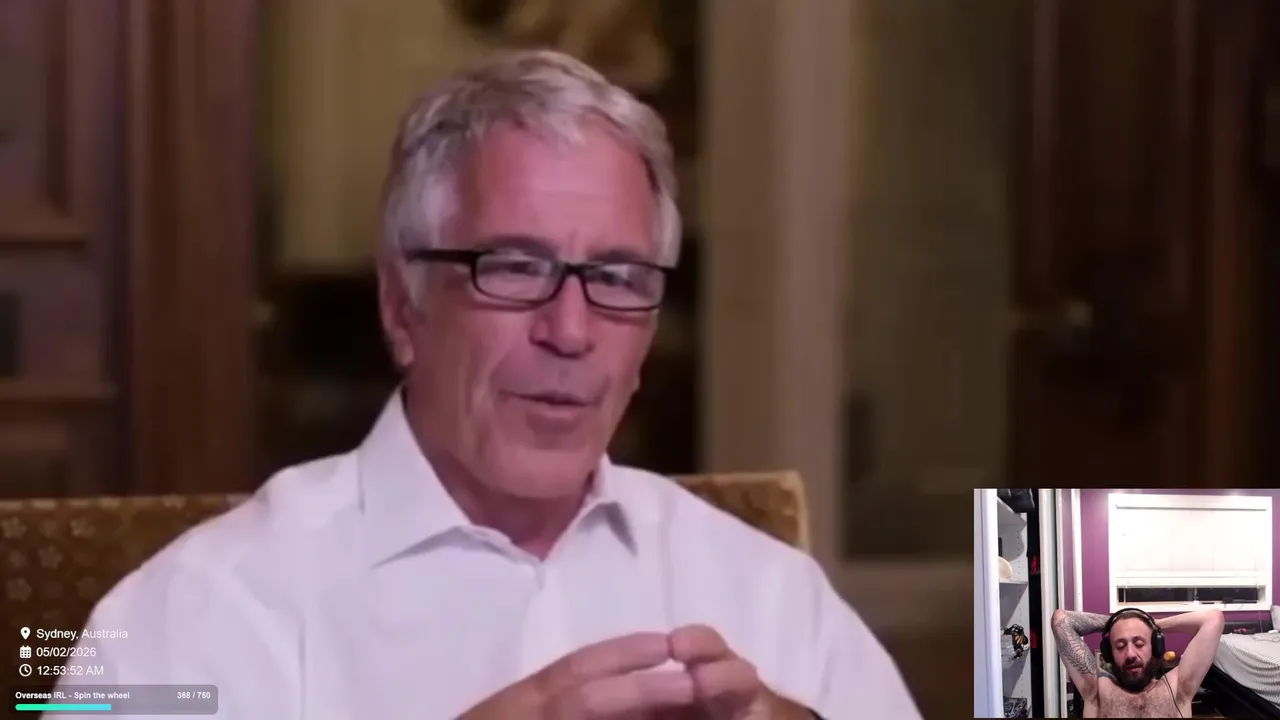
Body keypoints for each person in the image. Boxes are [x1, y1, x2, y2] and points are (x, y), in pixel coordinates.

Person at [58, 50, 919, 719]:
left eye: (616, 278)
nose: (570, 331)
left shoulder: (769, 594)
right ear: (403, 306)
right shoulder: (199, 611)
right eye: (513, 267)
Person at [1050, 607, 1224, 718]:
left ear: (1155, 647)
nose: (1130, 654)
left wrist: (1154, 624)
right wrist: (1116, 622)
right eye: (1120, 646)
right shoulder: (1097, 691)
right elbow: (1060, 620)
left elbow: (1213, 619)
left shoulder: (1177, 689)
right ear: (1109, 653)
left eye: (1139, 644)